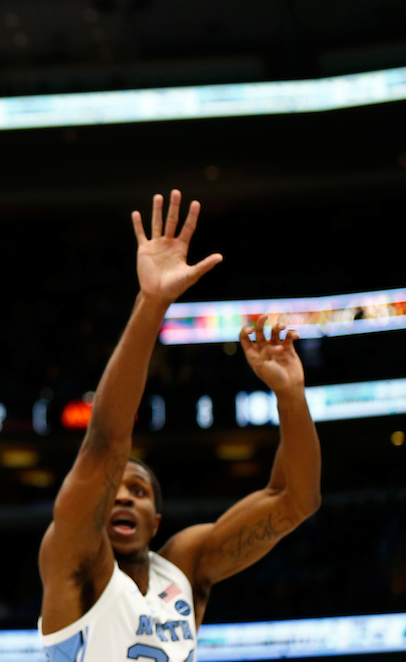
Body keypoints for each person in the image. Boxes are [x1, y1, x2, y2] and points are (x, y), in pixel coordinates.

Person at [38, 191, 322, 662]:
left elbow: (295, 500)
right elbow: (106, 442)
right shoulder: (74, 559)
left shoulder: (183, 570)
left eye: (140, 491)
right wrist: (152, 303)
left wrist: (291, 396)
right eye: (116, 490)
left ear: (157, 524)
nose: (125, 496)